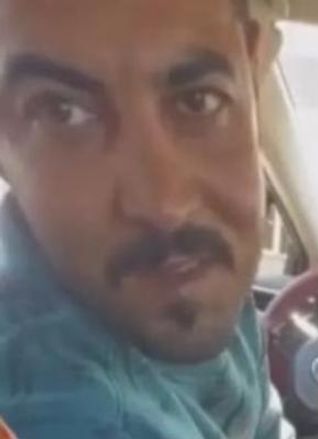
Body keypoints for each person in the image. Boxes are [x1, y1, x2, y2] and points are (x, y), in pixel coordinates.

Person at [0, 0, 294, 437]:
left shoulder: (196, 279)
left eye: (198, 101)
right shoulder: (63, 408)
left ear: (251, 73)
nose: (164, 206)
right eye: (63, 113)